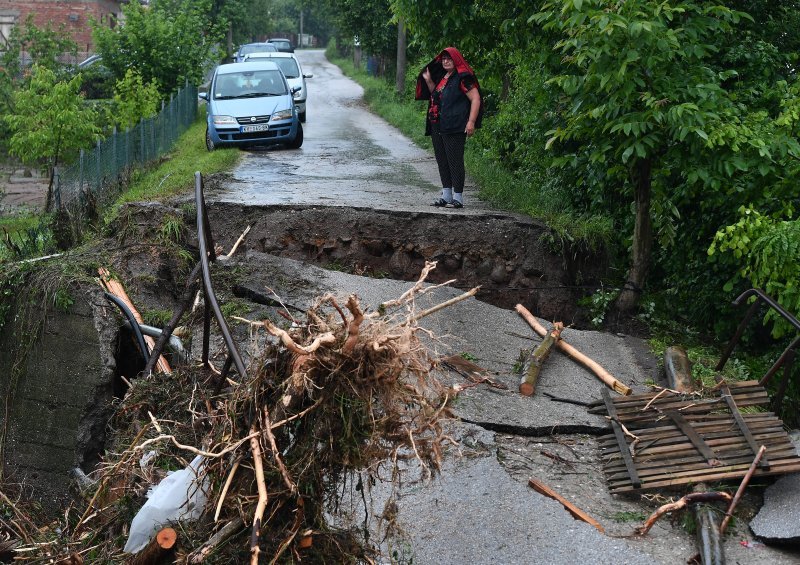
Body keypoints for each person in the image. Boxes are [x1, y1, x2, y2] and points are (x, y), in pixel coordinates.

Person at [416, 47, 483, 209]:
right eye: (444, 59)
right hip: (437, 124)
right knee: (442, 159)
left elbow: (475, 98)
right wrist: (429, 81)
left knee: (454, 160)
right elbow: (437, 96)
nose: (445, 61)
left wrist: (471, 122)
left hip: (455, 125)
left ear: (456, 60)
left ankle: (458, 197)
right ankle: (446, 195)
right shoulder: (443, 77)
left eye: (449, 59)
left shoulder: (462, 78)